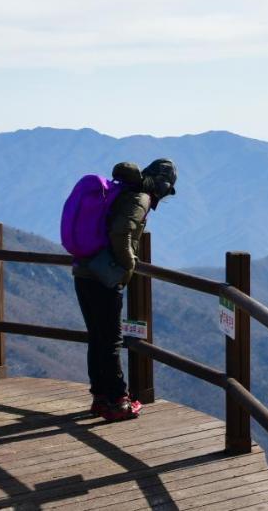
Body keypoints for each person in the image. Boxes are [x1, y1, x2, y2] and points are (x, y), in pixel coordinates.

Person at [73, 158, 177, 421]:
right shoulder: (140, 197)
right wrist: (128, 266)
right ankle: (119, 400)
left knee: (97, 337)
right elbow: (121, 232)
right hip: (103, 275)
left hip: (85, 269)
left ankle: (100, 398)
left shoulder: (123, 191)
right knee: (110, 340)